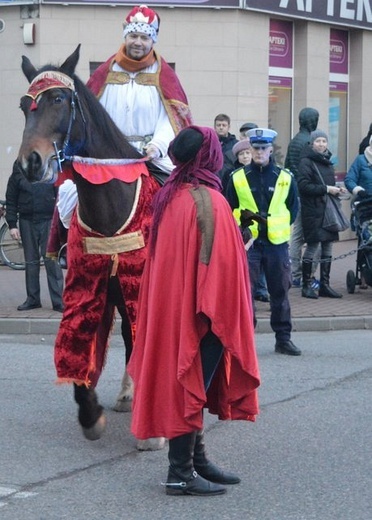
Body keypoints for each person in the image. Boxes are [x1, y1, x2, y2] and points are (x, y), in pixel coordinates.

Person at [128, 126, 260, 496]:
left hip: (175, 312)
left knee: (190, 385)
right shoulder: (209, 200)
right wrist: (226, 321)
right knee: (192, 385)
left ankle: (195, 460)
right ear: (210, 156)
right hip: (202, 315)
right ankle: (179, 472)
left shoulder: (171, 196)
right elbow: (219, 272)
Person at [86, 4, 193, 181]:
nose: (138, 42)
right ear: (125, 36)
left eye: (144, 37)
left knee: (180, 195)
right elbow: (90, 115)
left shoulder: (164, 75)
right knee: (70, 195)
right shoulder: (104, 73)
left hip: (152, 157)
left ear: (153, 40)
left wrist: (157, 146)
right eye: (133, 36)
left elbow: (173, 120)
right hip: (108, 157)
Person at [226, 128, 301, 356]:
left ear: (271, 150)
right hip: (249, 243)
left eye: (263, 148)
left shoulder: (285, 177)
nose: (259, 152)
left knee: (280, 292)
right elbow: (229, 208)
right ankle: (246, 342)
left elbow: (293, 208)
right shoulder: (237, 177)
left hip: (276, 244)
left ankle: (283, 339)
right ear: (250, 150)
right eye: (255, 148)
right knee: (245, 294)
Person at [5, 162, 64, 312]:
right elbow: (11, 197)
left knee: (52, 262)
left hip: (49, 220)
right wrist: (12, 225)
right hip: (26, 220)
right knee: (31, 262)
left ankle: (58, 301)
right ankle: (33, 299)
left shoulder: (49, 165)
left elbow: (59, 195)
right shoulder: (19, 167)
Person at [297, 130, 347, 299]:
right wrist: (326, 189)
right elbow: (303, 186)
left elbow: (327, 185)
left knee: (328, 246)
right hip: (313, 211)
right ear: (312, 143)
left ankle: (325, 285)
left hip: (327, 210)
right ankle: (307, 285)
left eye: (324, 141)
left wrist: (337, 190)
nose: (321, 144)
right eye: (318, 141)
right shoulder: (305, 161)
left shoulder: (327, 161)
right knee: (313, 246)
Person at [224, 139, 270, 303]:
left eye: (247, 153)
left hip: (263, 224)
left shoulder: (262, 173)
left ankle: (262, 289)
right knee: (249, 261)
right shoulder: (233, 175)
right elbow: (229, 200)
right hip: (245, 224)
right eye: (242, 154)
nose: (245, 156)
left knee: (263, 261)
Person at [285, 107, 320, 287]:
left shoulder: (294, 141)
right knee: (311, 236)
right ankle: (304, 274)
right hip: (306, 195)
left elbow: (288, 167)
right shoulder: (307, 142)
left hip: (296, 192)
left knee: (296, 236)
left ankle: (295, 273)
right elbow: (307, 172)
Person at [214, 113, 238, 181]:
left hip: (230, 179)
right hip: (214, 179)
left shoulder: (235, 144)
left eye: (224, 125)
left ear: (229, 127)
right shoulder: (210, 143)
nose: (221, 127)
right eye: (218, 125)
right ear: (215, 127)